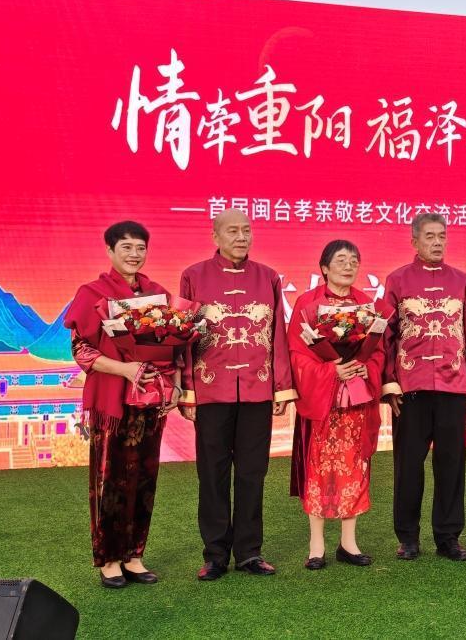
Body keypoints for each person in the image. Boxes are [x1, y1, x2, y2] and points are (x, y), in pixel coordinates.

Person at [178, 210, 298, 580]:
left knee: (253, 472)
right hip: (210, 389)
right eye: (232, 231)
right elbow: (183, 337)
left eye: (246, 230)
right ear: (215, 236)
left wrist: (281, 385)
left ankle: (249, 552)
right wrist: (188, 389)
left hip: (256, 388)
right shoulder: (193, 276)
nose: (241, 237)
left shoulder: (268, 277)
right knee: (212, 473)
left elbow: (278, 334)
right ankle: (215, 554)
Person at [65, 221, 179, 588]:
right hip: (112, 402)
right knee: (111, 480)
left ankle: (134, 555)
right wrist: (126, 369)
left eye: (140, 248)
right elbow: (81, 350)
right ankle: (110, 559)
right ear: (110, 251)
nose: (134, 254)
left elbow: (172, 346)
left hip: (150, 401)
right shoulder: (92, 293)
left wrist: (173, 385)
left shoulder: (158, 295)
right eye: (126, 247)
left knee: (145, 479)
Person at [381, 213, 466, 562]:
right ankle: (408, 537)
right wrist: (389, 382)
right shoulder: (397, 280)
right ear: (414, 241)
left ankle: (448, 536)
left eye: (442, 235)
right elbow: (385, 336)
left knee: (451, 464)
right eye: (429, 236)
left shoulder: (461, 281)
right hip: (410, 387)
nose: (437, 242)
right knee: (408, 465)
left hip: (453, 385)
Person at [287, 240, 392, 569]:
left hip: (356, 400)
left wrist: (364, 367)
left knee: (354, 465)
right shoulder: (307, 304)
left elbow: (378, 351)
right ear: (324, 268)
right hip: (322, 401)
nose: (349, 265)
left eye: (354, 260)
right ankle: (316, 545)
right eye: (341, 260)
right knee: (319, 469)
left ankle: (348, 542)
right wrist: (330, 370)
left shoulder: (366, 305)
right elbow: (297, 355)